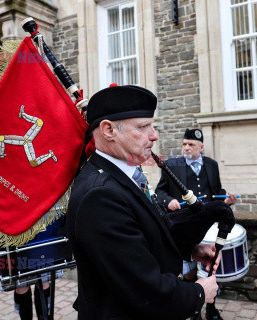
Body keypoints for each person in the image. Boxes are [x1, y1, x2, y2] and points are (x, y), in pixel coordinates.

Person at [66, 85, 221, 320]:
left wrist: (188, 250)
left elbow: (141, 238)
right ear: (108, 130)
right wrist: (199, 293)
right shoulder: (100, 195)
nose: (154, 135)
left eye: (152, 125)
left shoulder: (124, 173)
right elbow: (142, 287)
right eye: (143, 126)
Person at [155, 128, 237, 320]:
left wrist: (226, 200)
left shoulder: (212, 165)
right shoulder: (172, 165)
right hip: (184, 228)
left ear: (201, 147)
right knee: (189, 271)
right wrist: (168, 202)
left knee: (211, 268)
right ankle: (194, 310)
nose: (186, 147)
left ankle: (212, 308)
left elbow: (217, 191)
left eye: (191, 144)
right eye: (184, 144)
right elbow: (160, 193)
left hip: (208, 226)